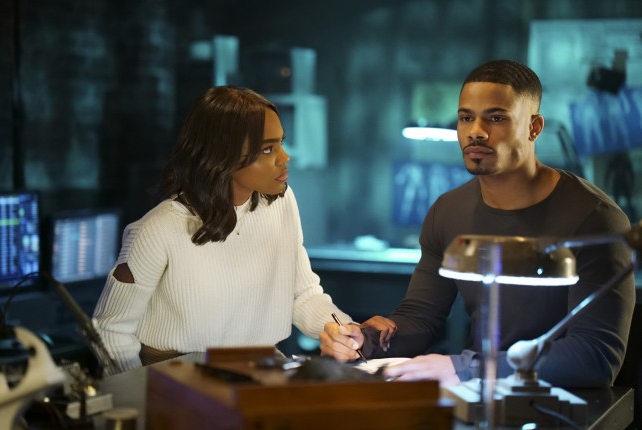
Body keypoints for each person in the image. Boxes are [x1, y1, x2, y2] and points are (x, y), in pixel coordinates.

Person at [319, 59, 636, 388]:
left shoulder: (596, 219)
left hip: (562, 403)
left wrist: (465, 368)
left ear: (534, 127)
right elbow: (420, 318)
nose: (476, 132)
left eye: (496, 118)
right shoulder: (448, 211)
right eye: (466, 118)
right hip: (474, 396)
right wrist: (363, 341)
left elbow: (594, 357)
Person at [93, 86, 352, 374]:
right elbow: (110, 330)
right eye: (267, 149)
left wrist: (344, 330)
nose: (284, 157)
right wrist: (138, 393)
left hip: (266, 372)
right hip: (180, 380)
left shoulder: (281, 202)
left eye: (281, 143)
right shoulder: (158, 228)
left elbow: (302, 294)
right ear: (222, 156)